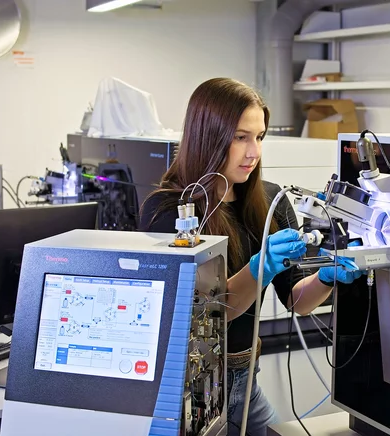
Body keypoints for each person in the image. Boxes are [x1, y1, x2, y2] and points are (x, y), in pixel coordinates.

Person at [138, 77, 361, 435]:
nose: (254, 152)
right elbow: (208, 317)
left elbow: (297, 301)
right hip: (193, 393)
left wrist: (324, 278)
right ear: (208, 136)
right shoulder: (168, 211)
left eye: (259, 137)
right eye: (241, 137)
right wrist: (260, 268)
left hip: (246, 383)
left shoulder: (270, 200)